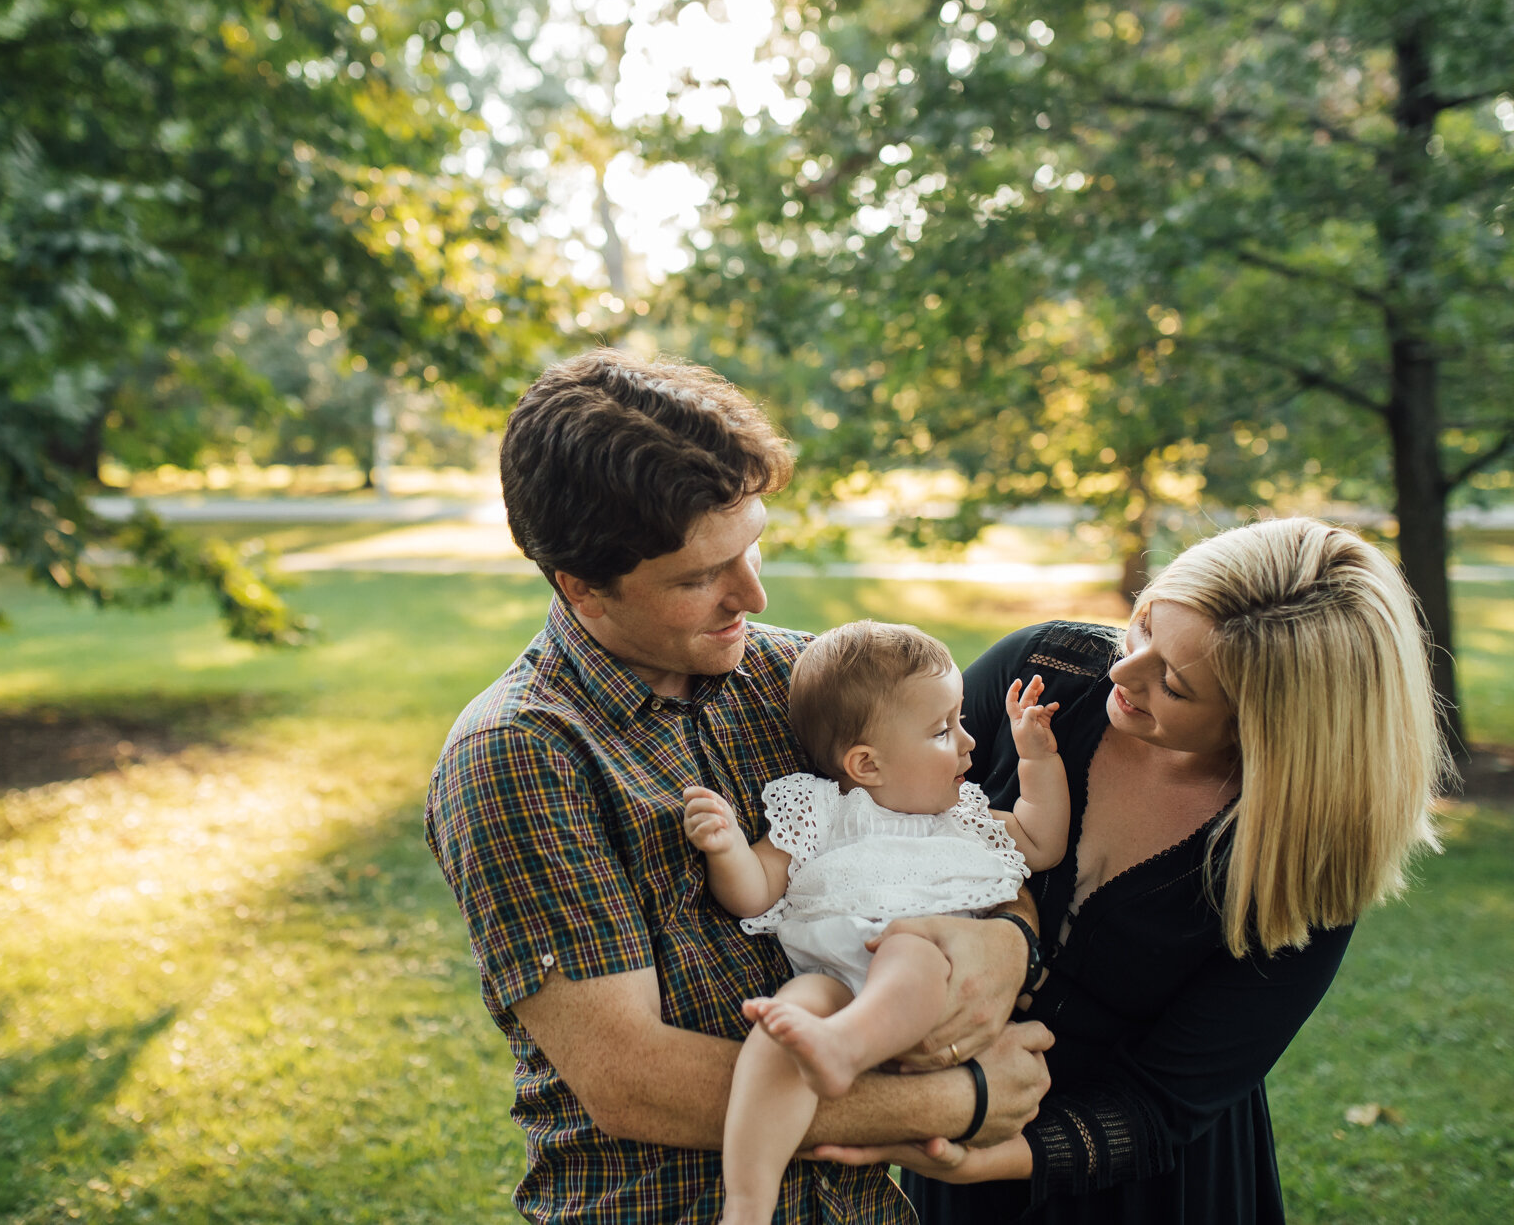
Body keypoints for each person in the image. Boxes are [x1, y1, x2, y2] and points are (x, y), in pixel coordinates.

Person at [424, 349, 1054, 1225]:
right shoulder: (520, 753)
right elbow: (632, 1080)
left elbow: (960, 847)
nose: (750, 593)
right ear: (582, 589)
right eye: (697, 578)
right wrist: (959, 1097)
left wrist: (1009, 942)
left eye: (751, 546)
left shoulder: (804, 677)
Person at [813, 516, 1451, 1225]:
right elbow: (872, 799)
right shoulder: (1045, 671)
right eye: (1143, 625)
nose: (1124, 670)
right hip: (962, 1133)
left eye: (1172, 683)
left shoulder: (1305, 855)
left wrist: (977, 1155)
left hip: (1147, 1186)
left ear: (1262, 728)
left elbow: (1162, 1103)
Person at [682, 621, 1070, 1225]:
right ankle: (747, 1205)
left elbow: (1042, 841)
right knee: (783, 1027)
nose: (969, 743)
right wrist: (726, 847)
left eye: (961, 720)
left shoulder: (963, 817)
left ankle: (843, 1046)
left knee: (911, 947)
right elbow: (755, 894)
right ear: (866, 764)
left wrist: (1037, 758)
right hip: (830, 976)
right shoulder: (816, 808)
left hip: (921, 988)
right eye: (944, 730)